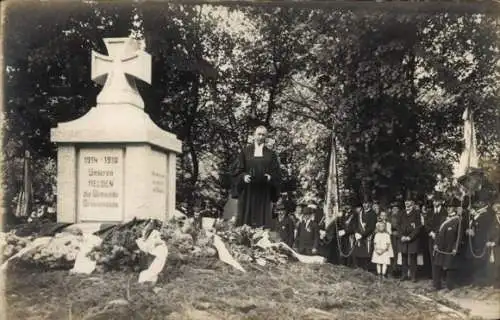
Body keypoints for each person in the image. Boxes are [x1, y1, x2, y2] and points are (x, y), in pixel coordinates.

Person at [233, 126, 281, 229]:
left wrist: (270, 177)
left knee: (262, 219)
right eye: (258, 134)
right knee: (246, 217)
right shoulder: (245, 152)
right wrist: (243, 176)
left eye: (263, 135)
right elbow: (237, 169)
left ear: (266, 137)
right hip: (248, 191)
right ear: (254, 135)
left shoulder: (271, 154)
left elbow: (276, 172)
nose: (260, 137)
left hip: (263, 191)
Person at [432, 197, 463, 291]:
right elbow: (438, 232)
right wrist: (436, 244)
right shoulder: (443, 218)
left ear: (455, 208)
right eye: (448, 207)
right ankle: (437, 286)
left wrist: (455, 248)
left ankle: (450, 287)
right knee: (437, 265)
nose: (449, 209)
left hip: (450, 247)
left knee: (449, 267)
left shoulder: (458, 220)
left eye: (451, 207)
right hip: (440, 246)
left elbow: (459, 236)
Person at [465, 194, 495, 286]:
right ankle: (476, 280)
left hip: (482, 241)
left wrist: (474, 232)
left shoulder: (487, 214)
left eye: (479, 202)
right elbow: (473, 224)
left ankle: (482, 282)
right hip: (476, 241)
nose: (477, 204)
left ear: (484, 203)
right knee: (476, 261)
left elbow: (484, 228)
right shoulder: (478, 213)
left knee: (481, 261)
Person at [398, 196, 422, 282]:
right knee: (404, 257)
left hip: (413, 239)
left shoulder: (417, 213)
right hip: (403, 238)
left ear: (412, 202)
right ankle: (404, 275)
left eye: (409, 201)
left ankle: (413, 276)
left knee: (413, 258)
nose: (407, 203)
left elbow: (418, 227)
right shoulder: (401, 213)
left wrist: (410, 237)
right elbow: (398, 226)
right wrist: (401, 236)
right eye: (406, 201)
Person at [352, 198, 377, 271]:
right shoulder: (359, 213)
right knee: (358, 253)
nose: (365, 205)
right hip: (358, 236)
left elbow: (371, 227)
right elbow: (355, 224)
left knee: (366, 255)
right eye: (364, 203)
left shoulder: (373, 214)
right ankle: (359, 269)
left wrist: (362, 235)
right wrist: (356, 232)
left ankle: (366, 271)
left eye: (366, 203)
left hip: (367, 237)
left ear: (369, 204)